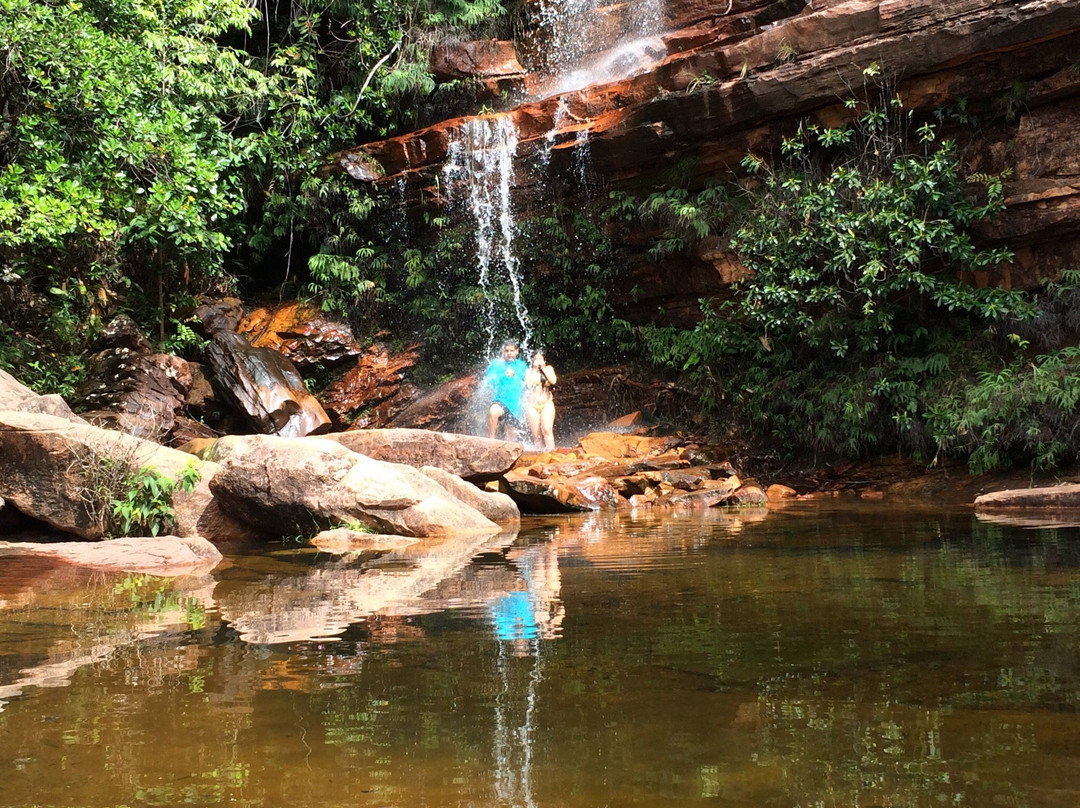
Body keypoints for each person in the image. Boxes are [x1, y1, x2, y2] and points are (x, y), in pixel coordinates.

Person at [484, 339, 528, 440]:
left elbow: (524, 378)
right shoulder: (496, 364)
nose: (509, 353)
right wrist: (503, 375)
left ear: (517, 351)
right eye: (506, 351)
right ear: (503, 351)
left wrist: (515, 374)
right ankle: (491, 440)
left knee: (511, 438)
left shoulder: (521, 365)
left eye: (511, 351)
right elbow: (489, 381)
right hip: (500, 400)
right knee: (493, 411)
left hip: (515, 404)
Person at [524, 349, 557, 450]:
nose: (538, 360)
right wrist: (534, 369)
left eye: (540, 358)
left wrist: (543, 367)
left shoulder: (548, 368)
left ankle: (551, 452)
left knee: (547, 430)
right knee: (537, 436)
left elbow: (553, 381)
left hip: (546, 403)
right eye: (536, 358)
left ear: (544, 359)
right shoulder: (528, 371)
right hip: (532, 405)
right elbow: (528, 384)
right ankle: (540, 456)